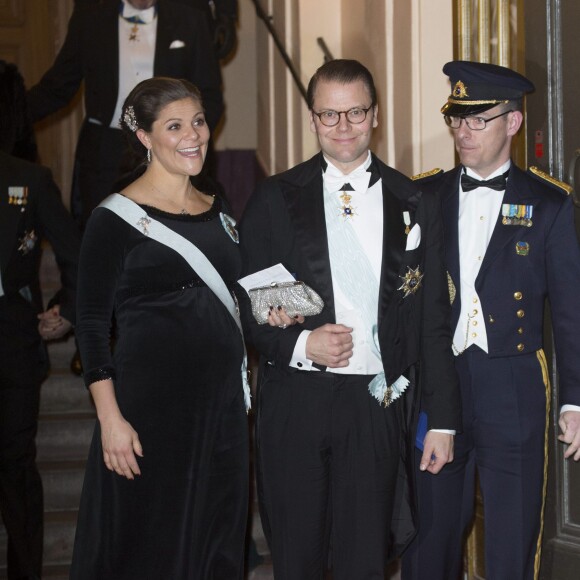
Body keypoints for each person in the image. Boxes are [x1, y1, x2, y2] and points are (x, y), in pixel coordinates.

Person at [237, 59, 461, 579]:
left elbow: (432, 321)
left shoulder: (415, 200)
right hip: (297, 401)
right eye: (329, 114)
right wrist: (302, 345)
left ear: (375, 115)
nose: (342, 127)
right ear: (312, 119)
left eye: (355, 112)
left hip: (376, 405)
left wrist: (443, 419)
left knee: (366, 559)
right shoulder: (274, 198)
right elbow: (252, 307)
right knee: (298, 558)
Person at [402, 60, 580, 580]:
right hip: (441, 382)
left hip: (514, 383)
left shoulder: (549, 205)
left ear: (513, 123)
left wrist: (574, 399)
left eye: (479, 120)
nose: (464, 131)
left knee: (512, 538)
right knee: (429, 536)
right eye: (457, 119)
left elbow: (570, 313)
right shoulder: (424, 196)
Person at [69, 77, 249, 579]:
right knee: (150, 547)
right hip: (149, 412)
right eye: (174, 126)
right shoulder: (114, 218)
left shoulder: (217, 204)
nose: (192, 135)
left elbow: (237, 295)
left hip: (221, 409)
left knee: (216, 538)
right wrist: (110, 420)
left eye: (197, 121)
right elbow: (89, 326)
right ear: (145, 137)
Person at [27, 0, 224, 228]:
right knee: (98, 228)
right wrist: (11, 117)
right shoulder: (90, 18)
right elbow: (57, 87)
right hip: (104, 150)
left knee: (169, 229)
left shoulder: (190, 18)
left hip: (165, 150)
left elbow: (209, 96)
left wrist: (187, 141)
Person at [0, 60, 80, 580]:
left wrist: (66, 311)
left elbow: (78, 256)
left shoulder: (29, 181)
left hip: (12, 345)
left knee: (14, 465)